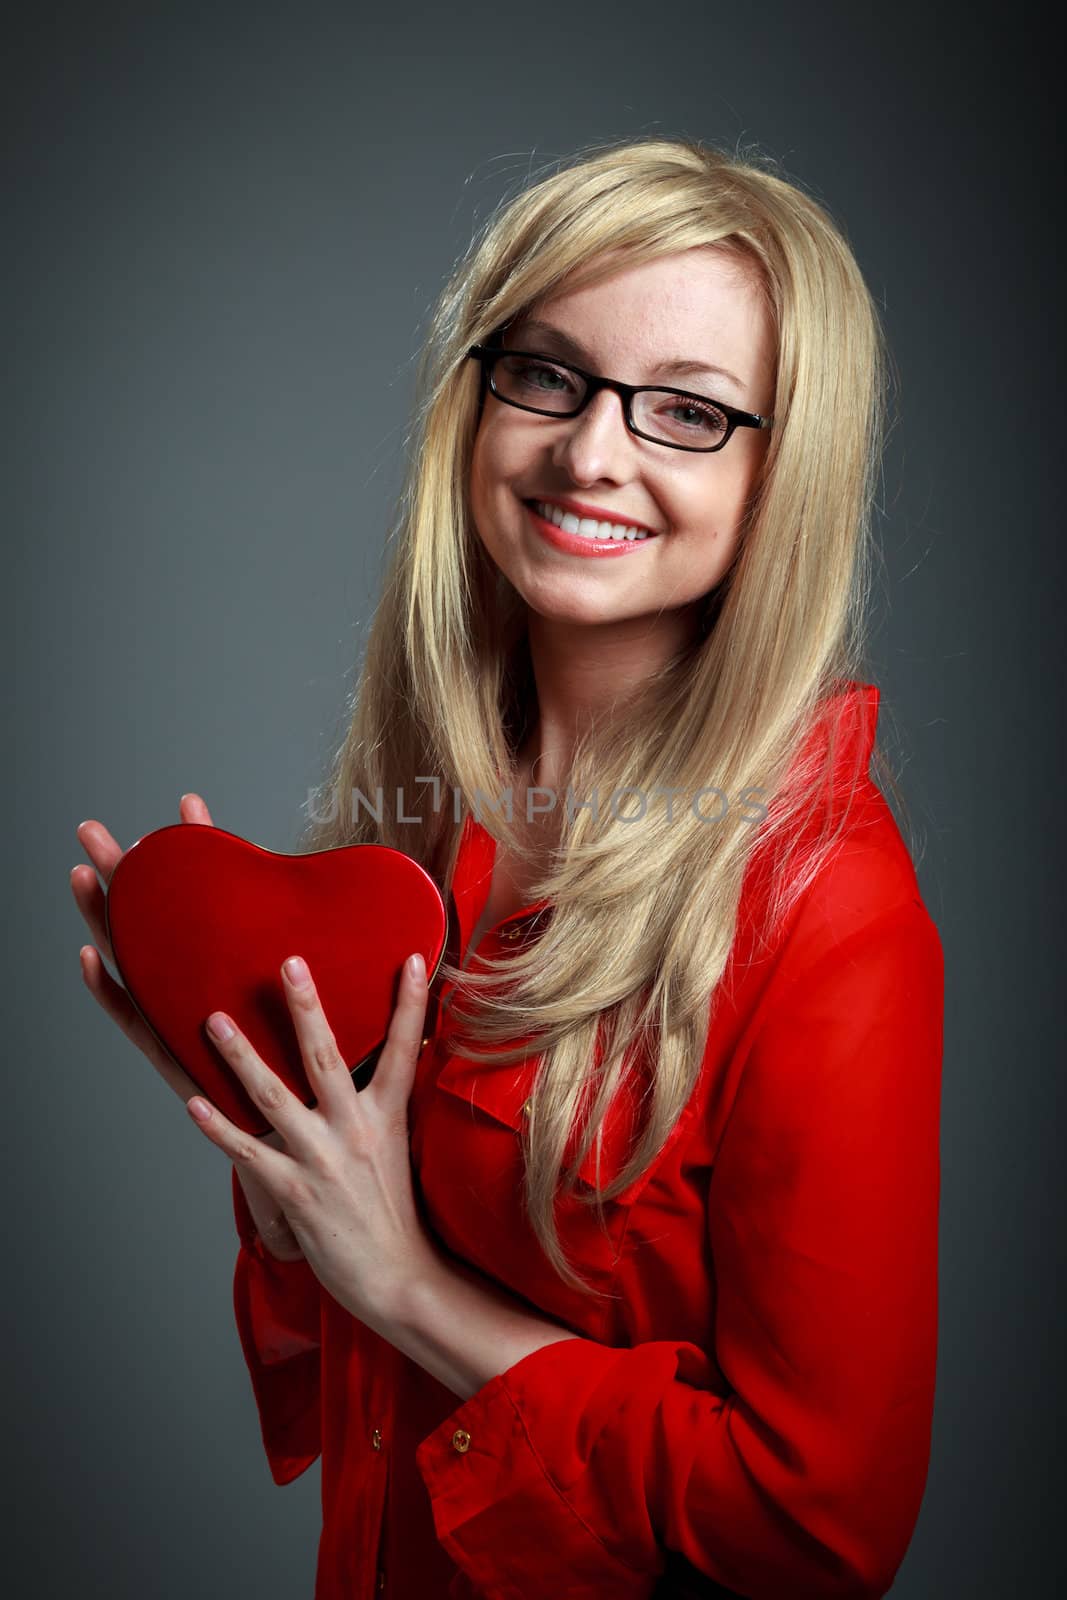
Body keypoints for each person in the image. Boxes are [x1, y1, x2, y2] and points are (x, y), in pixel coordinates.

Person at [71, 135, 944, 1599]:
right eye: (546, 373)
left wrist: (406, 1282)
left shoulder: (827, 909)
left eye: (685, 411)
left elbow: (820, 1528)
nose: (590, 451)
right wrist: (283, 1160)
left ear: (784, 473)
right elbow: (355, 1356)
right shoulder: (431, 808)